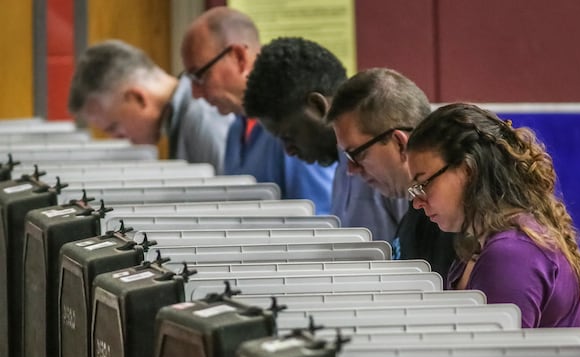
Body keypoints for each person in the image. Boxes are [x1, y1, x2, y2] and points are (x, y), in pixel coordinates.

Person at [405, 103, 580, 329]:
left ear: (468, 170)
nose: (417, 202)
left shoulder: (513, 252)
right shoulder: (487, 244)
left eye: (424, 183)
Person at [243, 37, 407, 241]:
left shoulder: (389, 155)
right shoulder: (342, 165)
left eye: (289, 136)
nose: (289, 151)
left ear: (318, 107)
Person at [181, 7, 335, 214]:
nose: (195, 93)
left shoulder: (295, 121)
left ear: (239, 57)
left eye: (200, 76)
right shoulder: (237, 126)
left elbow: (322, 226)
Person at [327, 68, 457, 278]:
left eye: (357, 154)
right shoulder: (418, 208)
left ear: (399, 143)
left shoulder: (452, 220)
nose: (351, 170)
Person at [68, 39, 232, 174]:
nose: (118, 139)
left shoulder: (201, 117)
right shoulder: (181, 117)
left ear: (138, 98)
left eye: (114, 128)